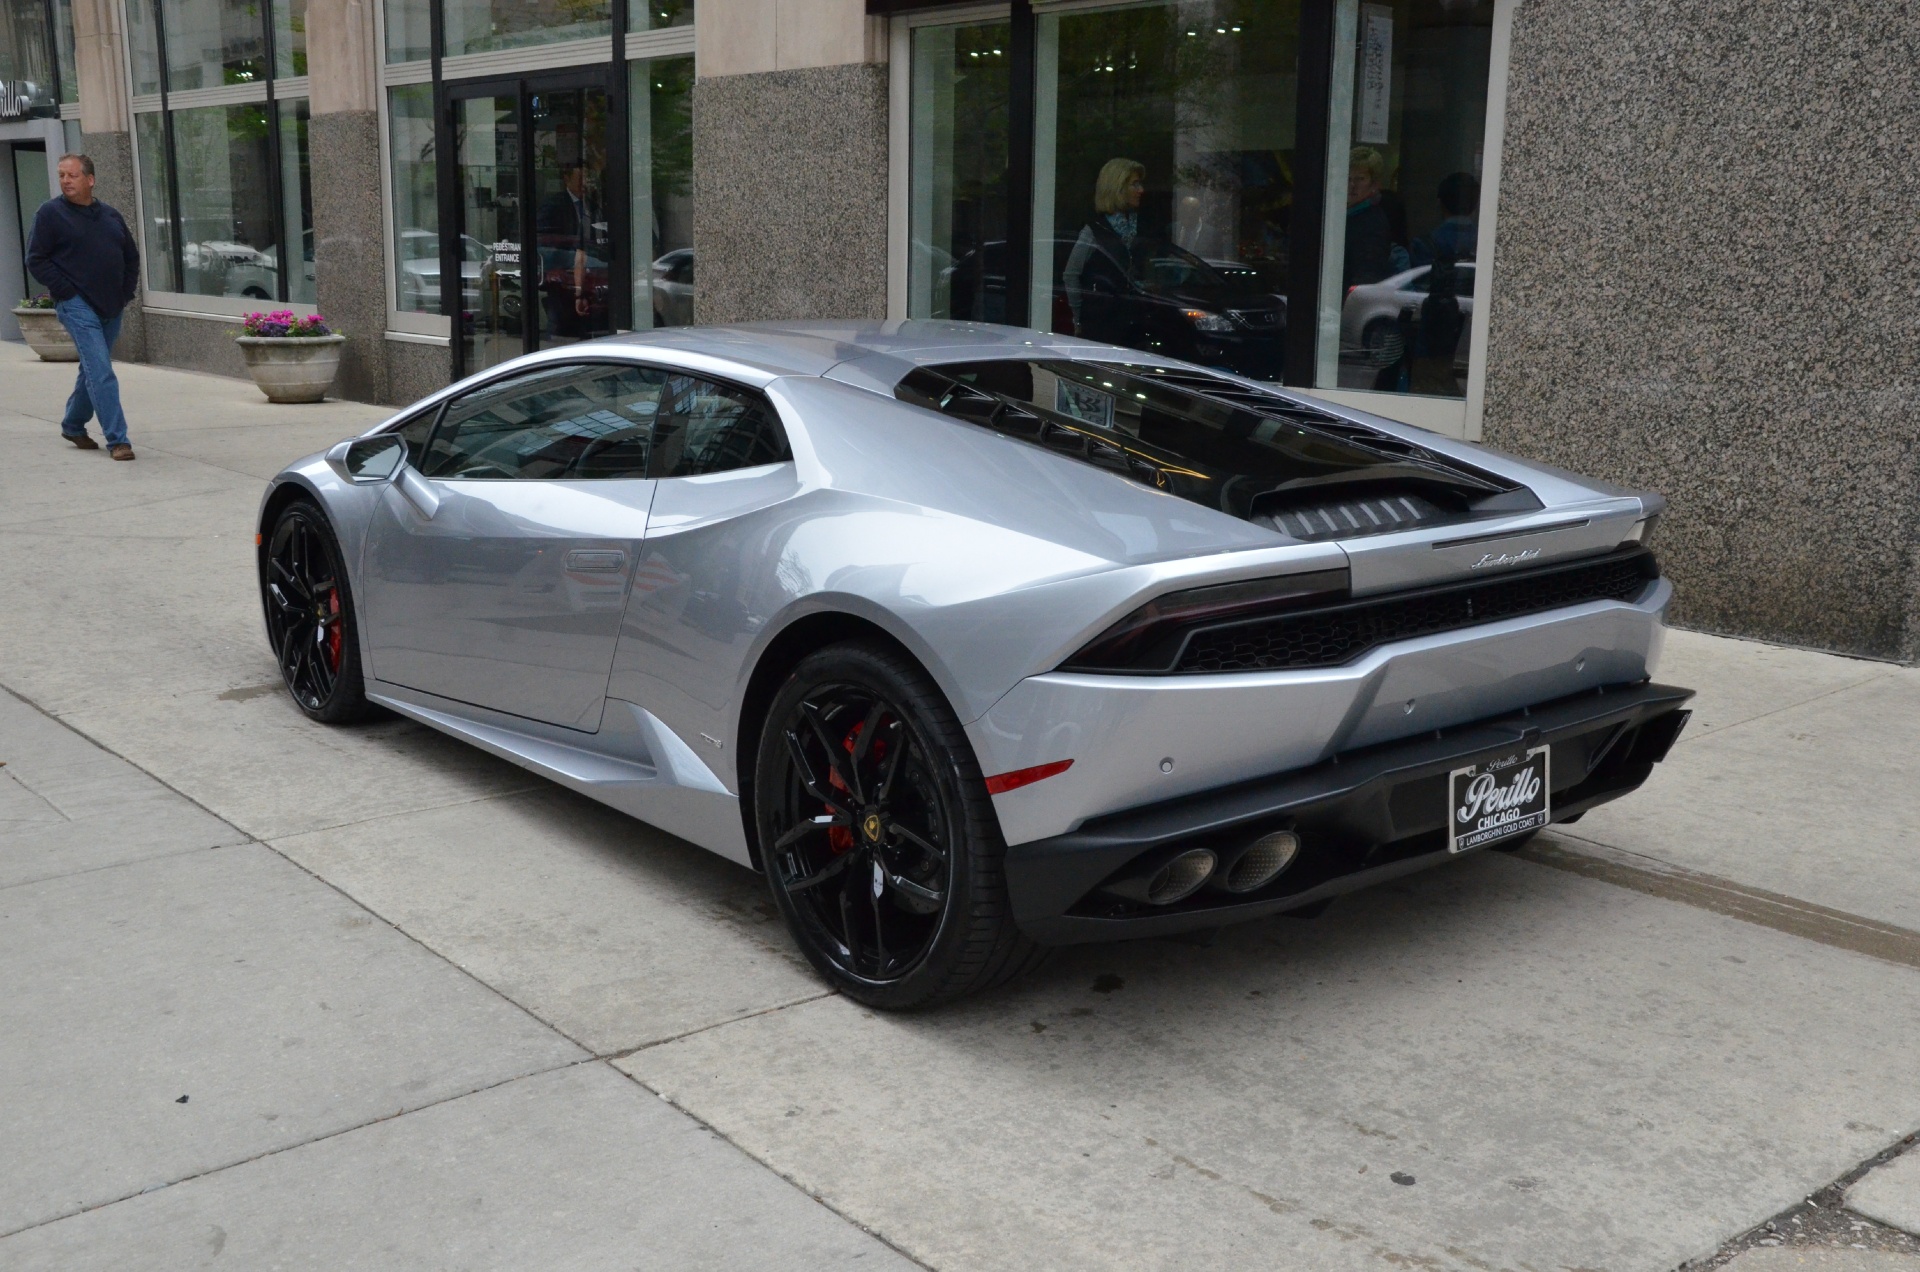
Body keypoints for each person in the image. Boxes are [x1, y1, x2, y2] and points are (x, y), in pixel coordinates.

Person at [26, 153, 141, 460]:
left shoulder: (111, 216)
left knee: (91, 370)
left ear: (90, 180)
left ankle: (73, 424)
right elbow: (36, 259)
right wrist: (65, 292)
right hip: (77, 305)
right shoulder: (50, 214)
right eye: (62, 175)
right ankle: (118, 440)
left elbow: (131, 257)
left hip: (111, 304)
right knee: (101, 371)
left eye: (72, 175)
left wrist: (125, 292)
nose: (65, 180)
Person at [1063, 158, 1149, 346]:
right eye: (1135, 184)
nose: (1141, 190)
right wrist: (1079, 318)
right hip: (1102, 327)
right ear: (1117, 187)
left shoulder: (1141, 228)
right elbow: (1071, 275)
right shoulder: (1094, 231)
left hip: (1136, 326)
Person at [537, 165, 599, 340]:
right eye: (580, 179)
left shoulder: (592, 205)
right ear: (567, 179)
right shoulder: (554, 204)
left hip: (586, 271)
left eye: (586, 179)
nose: (584, 184)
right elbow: (542, 237)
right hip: (562, 268)